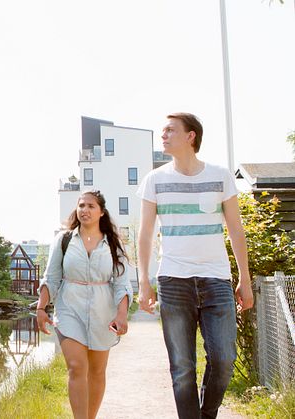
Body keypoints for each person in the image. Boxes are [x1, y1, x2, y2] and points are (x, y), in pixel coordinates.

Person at [136, 113, 253, 419]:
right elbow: (145, 234)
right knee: (182, 368)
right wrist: (144, 283)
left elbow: (236, 230)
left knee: (224, 358)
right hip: (174, 281)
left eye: (170, 130)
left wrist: (245, 279)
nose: (163, 135)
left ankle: (207, 413)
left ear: (191, 136)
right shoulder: (155, 180)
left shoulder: (220, 176)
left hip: (217, 279)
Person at [36, 190, 133, 419]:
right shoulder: (64, 240)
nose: (84, 210)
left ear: (101, 212)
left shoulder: (113, 244)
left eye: (90, 206)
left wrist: (122, 314)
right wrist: (41, 308)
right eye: (81, 206)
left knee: (97, 371)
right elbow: (51, 277)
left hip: (103, 312)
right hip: (69, 308)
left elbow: (121, 284)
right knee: (77, 367)